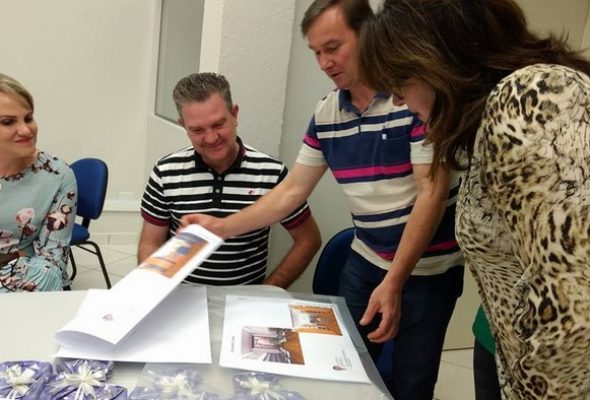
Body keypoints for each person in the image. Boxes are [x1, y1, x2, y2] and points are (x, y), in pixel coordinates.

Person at [182, 1, 464, 398]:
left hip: (427, 271)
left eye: (333, 47)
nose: (324, 63)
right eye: (316, 52)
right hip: (365, 260)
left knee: (410, 383)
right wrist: (221, 227)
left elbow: (431, 193)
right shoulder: (328, 113)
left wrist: (395, 280)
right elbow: (293, 190)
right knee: (342, 367)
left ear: (368, 35)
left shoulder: (412, 97)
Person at [359, 0, 590, 398]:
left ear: (438, 61)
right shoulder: (486, 129)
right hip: (512, 357)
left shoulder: (531, 97)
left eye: (400, 82)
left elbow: (572, 309)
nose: (397, 100)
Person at [139, 72, 321, 287]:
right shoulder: (165, 172)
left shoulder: (271, 173)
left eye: (218, 124)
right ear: (183, 125)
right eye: (197, 130)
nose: (211, 138)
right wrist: (155, 289)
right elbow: (150, 244)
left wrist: (268, 290)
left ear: (234, 114)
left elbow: (308, 240)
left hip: (244, 298)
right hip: (180, 295)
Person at [0, 73, 77, 292]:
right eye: (8, 122)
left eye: (28, 118)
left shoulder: (57, 174)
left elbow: (52, 261)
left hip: (29, 288)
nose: (26, 130)